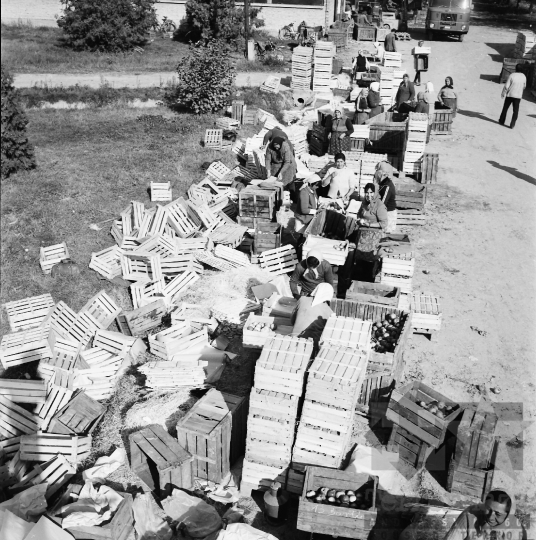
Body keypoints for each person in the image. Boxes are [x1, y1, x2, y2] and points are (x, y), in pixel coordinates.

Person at [443, 488, 527, 540]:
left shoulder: (517, 531)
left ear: (508, 515)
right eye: (488, 509)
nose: (490, 517)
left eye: (498, 514)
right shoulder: (470, 515)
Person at [291, 283, 334, 348]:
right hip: (313, 346)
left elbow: (292, 320)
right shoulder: (330, 312)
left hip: (294, 340)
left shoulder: (302, 300)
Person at [499, 64, 527, 129]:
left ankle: (501, 121)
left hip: (510, 95)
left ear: (515, 68)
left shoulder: (512, 75)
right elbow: (524, 86)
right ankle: (512, 124)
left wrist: (503, 93)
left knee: (505, 108)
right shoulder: (524, 76)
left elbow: (506, 86)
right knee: (515, 110)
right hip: (518, 96)